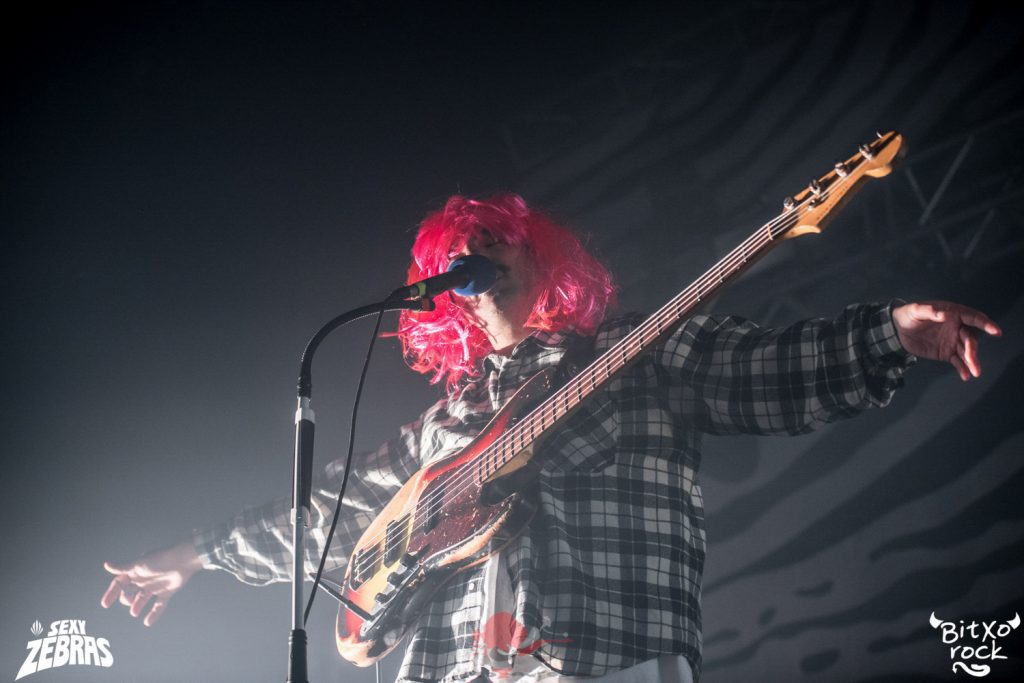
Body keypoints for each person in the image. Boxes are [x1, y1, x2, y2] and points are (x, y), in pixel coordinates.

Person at [101, 194, 1002, 682]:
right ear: (445, 296)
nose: (480, 256)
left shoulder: (634, 352)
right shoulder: (441, 430)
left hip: (601, 654)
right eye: (462, 252)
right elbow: (331, 517)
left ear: (542, 259)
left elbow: (764, 370)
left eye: (499, 240)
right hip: (450, 667)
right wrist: (197, 553)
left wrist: (889, 332)